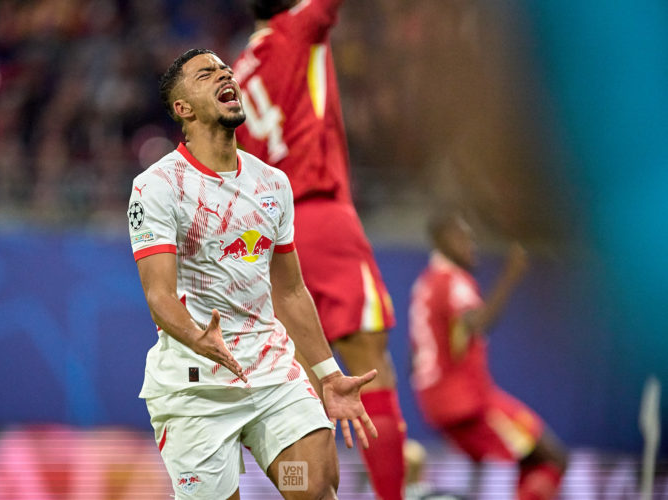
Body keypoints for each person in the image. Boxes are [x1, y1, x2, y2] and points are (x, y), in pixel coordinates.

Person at [127, 48, 379, 500]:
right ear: (182, 108)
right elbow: (159, 296)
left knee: (311, 488)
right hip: (196, 388)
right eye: (206, 75)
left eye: (225, 70)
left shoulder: (272, 184)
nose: (225, 75)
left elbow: (291, 290)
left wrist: (326, 373)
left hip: (271, 376)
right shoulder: (157, 187)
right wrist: (198, 337)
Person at [232, 3, 407, 498]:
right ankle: (392, 494)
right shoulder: (297, 28)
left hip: (270, 239)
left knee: (307, 388)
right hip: (319, 212)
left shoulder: (234, 74)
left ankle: (311, 494)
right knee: (369, 364)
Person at [408, 212, 568, 500]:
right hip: (469, 403)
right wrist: (510, 275)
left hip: (438, 403)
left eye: (472, 237)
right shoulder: (454, 280)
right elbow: (477, 323)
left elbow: (414, 357)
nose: (472, 244)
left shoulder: (425, 284)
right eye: (462, 237)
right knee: (552, 459)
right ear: (440, 240)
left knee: (527, 462)